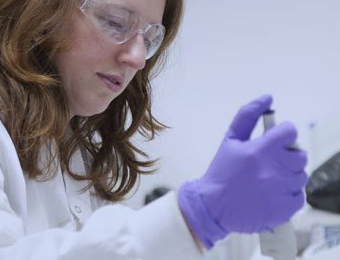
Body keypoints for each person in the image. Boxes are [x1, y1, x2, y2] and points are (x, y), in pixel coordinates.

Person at [0, 0, 308, 259]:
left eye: (149, 40)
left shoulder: (74, 148)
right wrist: (192, 217)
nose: (136, 59)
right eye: (114, 22)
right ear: (43, 10)